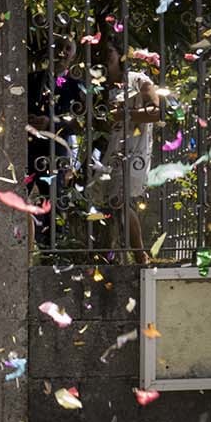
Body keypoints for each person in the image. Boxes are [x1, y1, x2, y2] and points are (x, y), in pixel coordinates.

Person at [92, 34, 160, 263]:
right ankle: (117, 255)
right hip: (114, 148)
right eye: (100, 53)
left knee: (119, 200)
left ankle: (140, 255)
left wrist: (127, 114)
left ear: (120, 55)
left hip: (136, 148)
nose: (104, 57)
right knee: (113, 203)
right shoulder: (101, 87)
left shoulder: (138, 79)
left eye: (109, 52)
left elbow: (156, 112)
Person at [26, 29, 86, 250]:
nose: (61, 52)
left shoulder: (75, 84)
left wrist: (52, 123)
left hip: (55, 152)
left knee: (53, 200)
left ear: (73, 55)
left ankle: (52, 252)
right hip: (27, 148)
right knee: (15, 198)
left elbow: (81, 123)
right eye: (58, 47)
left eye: (67, 49)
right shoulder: (31, 79)